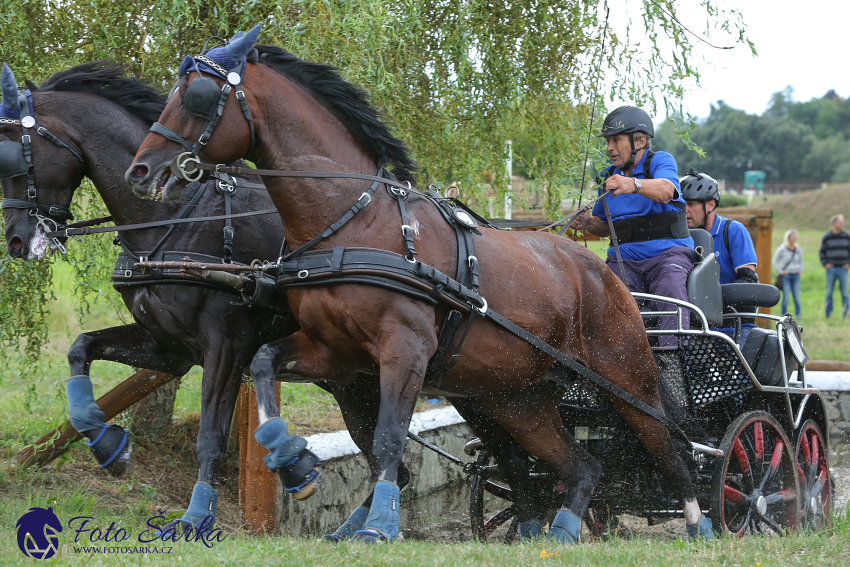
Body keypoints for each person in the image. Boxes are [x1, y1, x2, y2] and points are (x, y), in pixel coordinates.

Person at [572, 106, 694, 345]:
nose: (609, 148)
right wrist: (586, 222)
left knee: (671, 292)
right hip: (624, 261)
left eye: (616, 140)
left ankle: (674, 367)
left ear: (640, 140)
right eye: (608, 141)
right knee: (598, 298)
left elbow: (667, 191)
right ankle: (610, 368)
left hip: (668, 256)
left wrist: (633, 184)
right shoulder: (608, 176)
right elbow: (605, 227)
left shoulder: (659, 161)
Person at [682, 169, 759, 344]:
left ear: (710, 205)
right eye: (681, 204)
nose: (684, 210)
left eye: (691, 204)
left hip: (734, 323)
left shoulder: (733, 231)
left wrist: (710, 296)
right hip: (694, 325)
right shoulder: (678, 237)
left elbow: (748, 281)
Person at [820, 214, 850, 318]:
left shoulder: (847, 236)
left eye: (843, 222)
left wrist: (848, 263)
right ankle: (828, 314)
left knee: (845, 293)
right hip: (831, 269)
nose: (842, 224)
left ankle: (846, 313)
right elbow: (822, 252)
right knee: (829, 292)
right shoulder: (827, 237)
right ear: (834, 223)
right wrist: (825, 264)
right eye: (840, 222)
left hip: (843, 269)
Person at [773, 229, 803, 318]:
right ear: (788, 238)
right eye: (793, 237)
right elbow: (774, 261)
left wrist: (800, 269)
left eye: (796, 237)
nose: (795, 238)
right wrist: (781, 271)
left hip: (796, 275)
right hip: (786, 276)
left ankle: (798, 314)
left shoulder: (798, 249)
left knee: (796, 296)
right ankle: (783, 314)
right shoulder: (782, 249)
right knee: (786, 296)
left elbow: (801, 261)